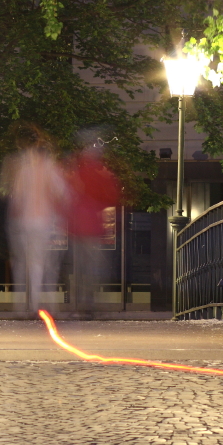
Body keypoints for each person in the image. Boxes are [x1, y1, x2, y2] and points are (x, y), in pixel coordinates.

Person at [0, 125, 67, 313]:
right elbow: (61, 190)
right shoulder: (46, 163)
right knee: (38, 261)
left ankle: (21, 305)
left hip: (19, 219)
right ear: (38, 142)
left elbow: (6, 190)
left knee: (20, 261)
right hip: (42, 219)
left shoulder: (14, 162)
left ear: (19, 143)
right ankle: (35, 304)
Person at [64, 132, 122, 316]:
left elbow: (66, 197)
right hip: (92, 227)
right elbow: (111, 196)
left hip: (76, 227)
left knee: (78, 267)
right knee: (92, 267)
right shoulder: (99, 174)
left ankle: (80, 304)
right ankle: (89, 303)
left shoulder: (76, 173)